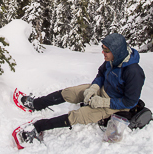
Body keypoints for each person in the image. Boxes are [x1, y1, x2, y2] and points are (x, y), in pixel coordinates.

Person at [17, 33, 145, 145]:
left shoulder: (134, 72)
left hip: (114, 105)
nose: (103, 52)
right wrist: (94, 87)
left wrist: (103, 102)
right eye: (102, 48)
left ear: (116, 51)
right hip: (102, 90)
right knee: (70, 93)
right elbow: (101, 74)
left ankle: (38, 127)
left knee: (78, 116)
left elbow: (130, 102)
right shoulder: (112, 60)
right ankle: (36, 104)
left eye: (106, 50)